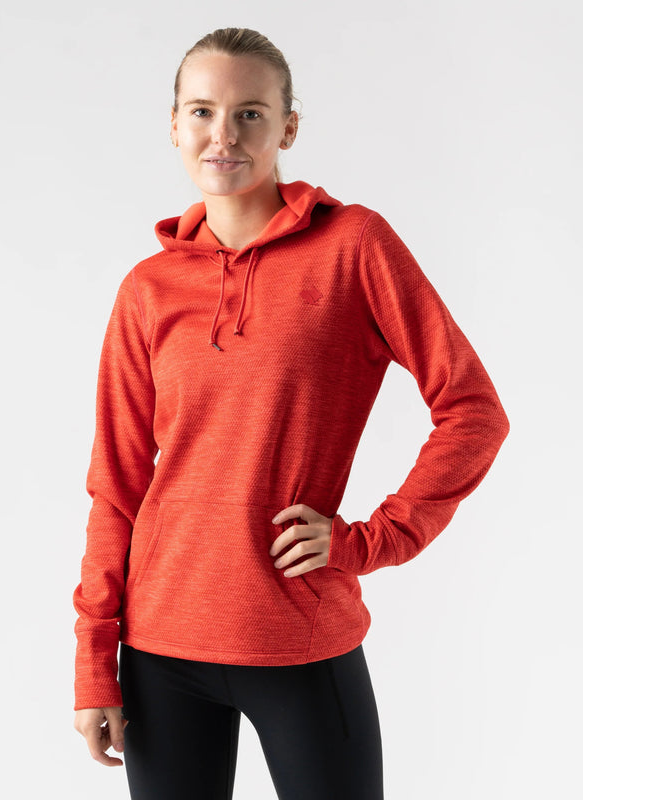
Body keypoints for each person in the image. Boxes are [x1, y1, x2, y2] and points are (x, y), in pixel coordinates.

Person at [72, 27, 509, 800]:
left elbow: (473, 411)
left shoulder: (353, 247)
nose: (223, 135)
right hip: (159, 647)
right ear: (174, 125)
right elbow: (117, 484)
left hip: (299, 638)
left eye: (250, 113)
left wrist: (371, 540)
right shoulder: (147, 289)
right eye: (202, 111)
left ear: (288, 128)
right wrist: (93, 660)